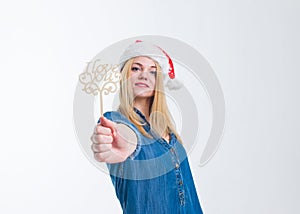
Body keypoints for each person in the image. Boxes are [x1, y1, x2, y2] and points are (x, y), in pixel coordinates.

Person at [90, 40, 204, 214]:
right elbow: (127, 136)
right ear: (124, 74)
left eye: (153, 71)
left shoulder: (170, 133)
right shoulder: (116, 121)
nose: (144, 75)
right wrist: (122, 144)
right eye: (136, 68)